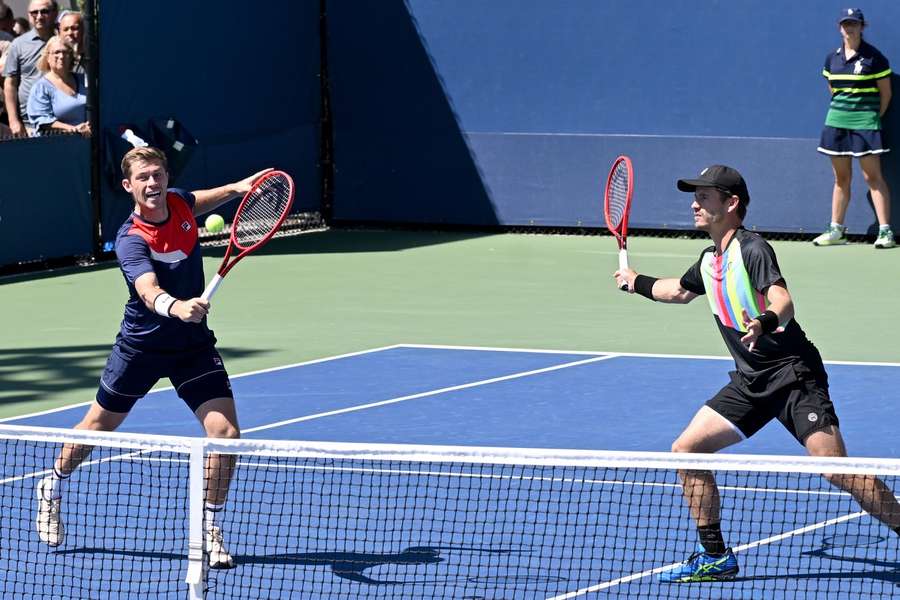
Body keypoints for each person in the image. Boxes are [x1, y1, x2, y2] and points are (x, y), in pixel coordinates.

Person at [614, 164, 900, 583]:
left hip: (792, 377)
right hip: (749, 382)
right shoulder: (709, 259)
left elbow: (783, 299)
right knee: (686, 450)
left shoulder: (752, 248)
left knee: (836, 469)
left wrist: (764, 321)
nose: (695, 203)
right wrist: (635, 281)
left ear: (731, 204)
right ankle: (715, 556)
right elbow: (676, 291)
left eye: (705, 197)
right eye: (695, 196)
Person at [35, 145, 272, 570]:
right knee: (97, 427)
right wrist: (176, 306)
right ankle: (51, 486)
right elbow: (147, 291)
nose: (152, 184)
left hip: (191, 348)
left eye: (157, 175)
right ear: (128, 186)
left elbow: (199, 199)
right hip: (141, 348)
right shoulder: (130, 239)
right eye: (143, 177)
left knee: (226, 435)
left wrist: (237, 188)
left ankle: (208, 527)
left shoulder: (177, 201)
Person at [814, 8, 894, 249]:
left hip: (865, 125)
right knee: (841, 178)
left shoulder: (874, 57)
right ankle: (836, 230)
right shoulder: (832, 58)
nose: (850, 28)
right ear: (840, 27)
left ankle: (885, 232)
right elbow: (833, 90)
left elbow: (886, 94)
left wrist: (870, 117)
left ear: (862, 27)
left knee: (872, 177)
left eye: (855, 24)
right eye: (846, 24)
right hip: (836, 124)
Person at [2, 0, 57, 137]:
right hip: (30, 125)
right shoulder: (18, 44)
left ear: (55, 13)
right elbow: (10, 84)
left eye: (44, 11)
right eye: (34, 12)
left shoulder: (63, 40)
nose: (38, 16)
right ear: (28, 15)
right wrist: (13, 120)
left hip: (63, 122)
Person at [26, 35, 88, 136]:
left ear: (71, 56)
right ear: (48, 58)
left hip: (85, 143)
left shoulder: (83, 80)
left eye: (65, 52)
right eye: (56, 52)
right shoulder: (41, 87)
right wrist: (73, 129)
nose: (61, 56)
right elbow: (42, 121)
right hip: (56, 144)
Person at [56, 10, 83, 77]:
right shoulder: (55, 58)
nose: (70, 33)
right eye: (65, 29)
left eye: (75, 28)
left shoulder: (94, 56)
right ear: (59, 33)